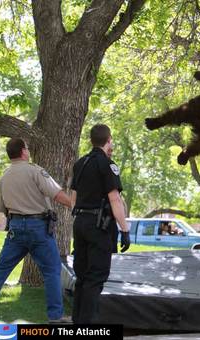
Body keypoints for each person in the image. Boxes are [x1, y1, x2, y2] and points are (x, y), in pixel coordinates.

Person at [0, 138, 71, 323]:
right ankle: (55, 317)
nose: (28, 151)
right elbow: (56, 194)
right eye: (27, 148)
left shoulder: (4, 178)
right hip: (38, 228)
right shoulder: (35, 171)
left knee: (1, 269)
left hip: (15, 228)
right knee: (52, 271)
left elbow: (0, 210)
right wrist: (75, 205)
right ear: (23, 151)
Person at [70, 124, 130, 324]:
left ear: (91, 140)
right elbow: (115, 200)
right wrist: (125, 229)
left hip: (80, 222)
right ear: (109, 140)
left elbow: (73, 198)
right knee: (96, 278)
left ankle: (77, 322)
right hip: (99, 225)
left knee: (82, 276)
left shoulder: (80, 163)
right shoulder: (107, 164)